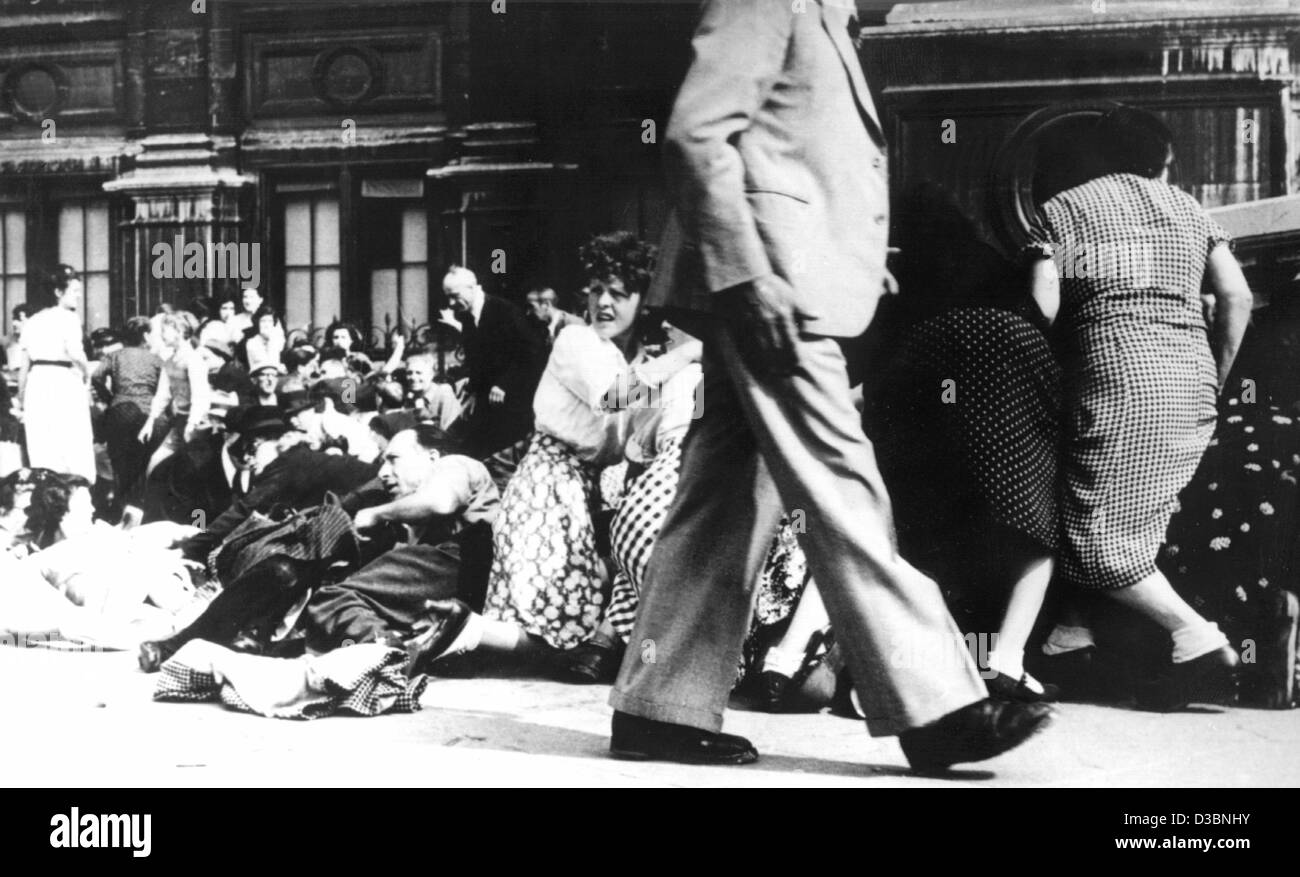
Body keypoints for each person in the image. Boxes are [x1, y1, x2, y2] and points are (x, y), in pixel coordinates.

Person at [605, 0, 1052, 772]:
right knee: (841, 481)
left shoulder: (823, 14)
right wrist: (749, 274)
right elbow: (696, 133)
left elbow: (792, 155)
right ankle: (935, 704)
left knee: (725, 493)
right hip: (771, 284)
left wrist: (847, 255)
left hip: (781, 277)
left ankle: (660, 702)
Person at [1026, 105, 1254, 710]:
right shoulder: (1188, 208)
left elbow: (1044, 307)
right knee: (1129, 514)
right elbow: (1236, 296)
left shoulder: (1066, 208)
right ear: (1165, 158)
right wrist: (1217, 378)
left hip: (1114, 374)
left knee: (1088, 529)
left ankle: (1196, 639)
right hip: (1190, 377)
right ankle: (1069, 640)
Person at [408, 233, 699, 676]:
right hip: (549, 485)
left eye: (619, 294)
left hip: (580, 490)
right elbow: (612, 398)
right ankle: (463, 632)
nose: (604, 302)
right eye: (597, 290)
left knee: (562, 626)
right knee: (557, 631)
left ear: (643, 301)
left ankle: (464, 632)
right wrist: (693, 351)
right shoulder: (577, 341)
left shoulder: (626, 359)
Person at [303, 425, 497, 654]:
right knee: (341, 608)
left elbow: (440, 502)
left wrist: (375, 514)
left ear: (432, 456)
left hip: (464, 558)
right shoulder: (412, 510)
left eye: (393, 459)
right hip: (462, 576)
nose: (383, 472)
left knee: (333, 600)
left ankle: (388, 658)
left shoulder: (454, 463)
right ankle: (390, 650)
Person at [441, 266, 544, 456]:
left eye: (455, 296)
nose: (451, 303)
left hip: (515, 403)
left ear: (472, 287)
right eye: (448, 297)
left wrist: (504, 383)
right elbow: (476, 360)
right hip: (485, 401)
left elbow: (532, 353)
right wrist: (473, 391)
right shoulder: (466, 317)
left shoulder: (505, 311)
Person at [16, 265, 95, 481]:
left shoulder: (32, 322)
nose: (78, 296)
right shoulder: (68, 318)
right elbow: (76, 353)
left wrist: (22, 399)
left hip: (37, 384)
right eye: (74, 291)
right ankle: (77, 491)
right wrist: (87, 374)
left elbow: (24, 367)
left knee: (43, 443)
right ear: (58, 292)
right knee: (72, 442)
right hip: (63, 383)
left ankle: (47, 493)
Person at [92, 316, 163, 519]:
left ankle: (119, 513)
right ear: (146, 336)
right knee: (142, 464)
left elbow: (96, 376)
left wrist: (110, 398)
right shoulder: (155, 359)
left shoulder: (115, 356)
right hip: (147, 415)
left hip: (119, 413)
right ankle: (140, 513)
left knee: (120, 467)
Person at [139, 311, 211, 479]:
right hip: (180, 422)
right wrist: (150, 422)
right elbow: (162, 394)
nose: (162, 334)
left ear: (179, 331)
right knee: (155, 462)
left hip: (198, 424)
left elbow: (200, 397)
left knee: (192, 471)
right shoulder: (169, 361)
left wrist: (192, 424)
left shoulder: (194, 359)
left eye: (165, 330)